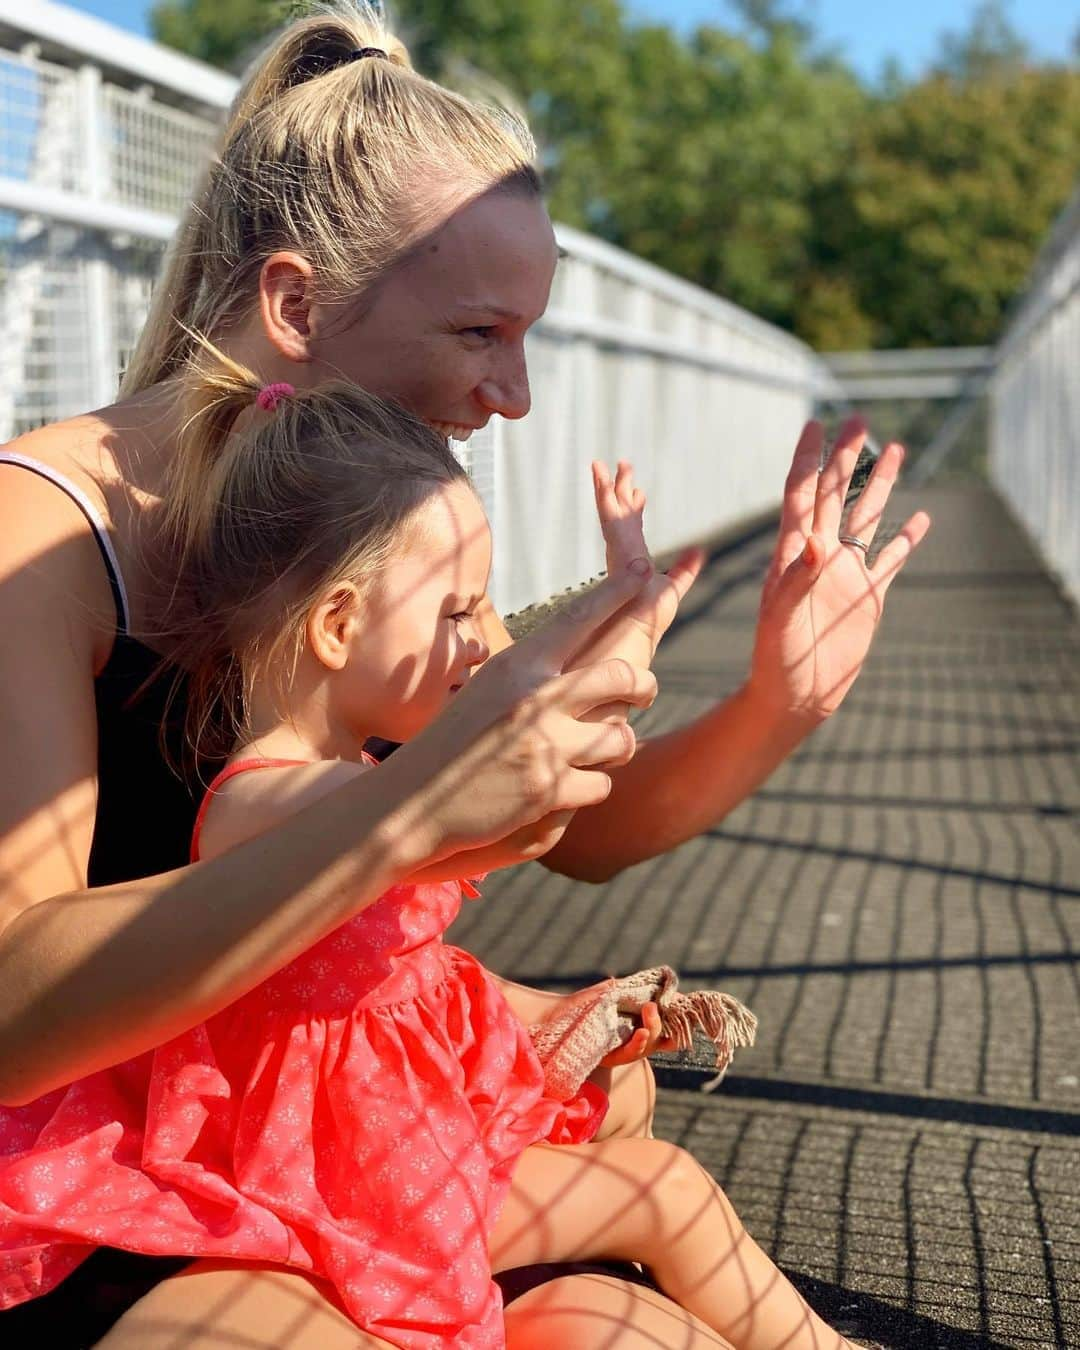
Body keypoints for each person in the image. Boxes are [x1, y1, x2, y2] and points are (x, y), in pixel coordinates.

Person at [0, 3, 928, 1344]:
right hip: (110, 1187)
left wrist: (773, 702)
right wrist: (412, 810)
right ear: (297, 305)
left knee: (629, 1271)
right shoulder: (40, 537)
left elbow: (573, 835)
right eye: (483, 334)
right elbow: (20, 1008)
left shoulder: (366, 516)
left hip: (303, 1147)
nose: (520, 398)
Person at [2, 353, 857, 1350]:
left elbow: (503, 821)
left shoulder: (365, 775)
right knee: (657, 1199)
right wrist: (620, 638)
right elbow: (516, 823)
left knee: (666, 1184)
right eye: (461, 610)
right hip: (345, 1182)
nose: (488, 639)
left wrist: (636, 609)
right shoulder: (269, 803)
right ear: (336, 625)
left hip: (404, 1137)